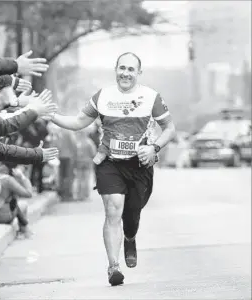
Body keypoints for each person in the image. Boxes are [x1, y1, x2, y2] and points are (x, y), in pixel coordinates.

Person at [50, 52, 176, 286]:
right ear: (115, 69)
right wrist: (51, 116)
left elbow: (169, 128)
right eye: (122, 68)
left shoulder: (150, 97)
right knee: (113, 209)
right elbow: (78, 122)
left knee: (132, 216)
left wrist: (154, 148)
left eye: (131, 69)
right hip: (110, 162)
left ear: (139, 73)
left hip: (140, 166)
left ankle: (130, 236)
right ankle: (113, 267)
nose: (125, 73)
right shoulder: (103, 96)